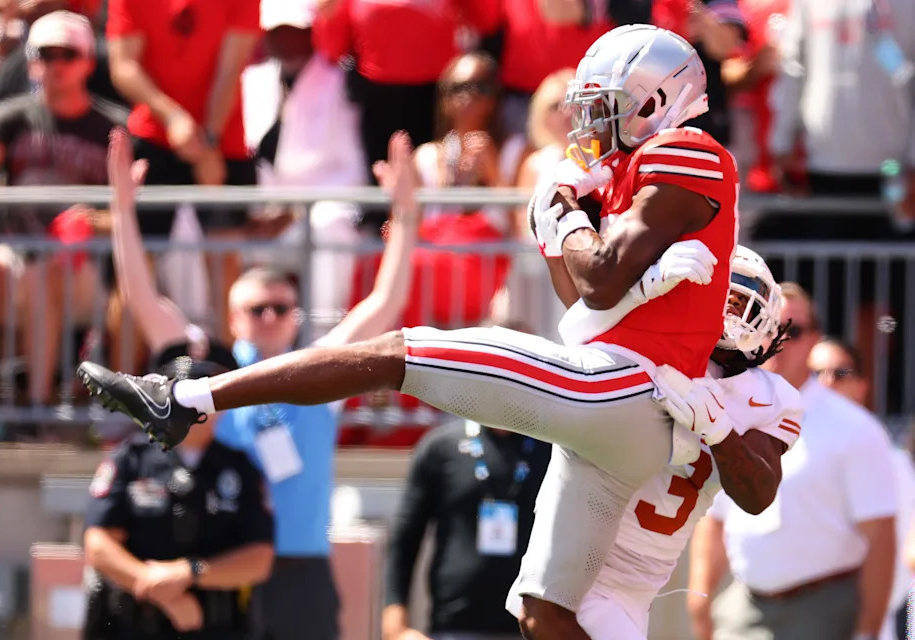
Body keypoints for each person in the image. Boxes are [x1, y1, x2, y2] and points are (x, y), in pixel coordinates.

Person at [77, 24, 738, 640]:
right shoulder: (633, 174)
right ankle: (185, 400)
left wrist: (561, 209)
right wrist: (554, 219)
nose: (591, 122)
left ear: (657, 98)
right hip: (627, 395)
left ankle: (186, 401)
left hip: (625, 387)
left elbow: (596, 280)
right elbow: (583, 305)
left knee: (397, 352)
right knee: (545, 611)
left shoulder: (685, 150)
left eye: (607, 104)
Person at [105, 124, 422, 640]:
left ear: (297, 316)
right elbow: (143, 300)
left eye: (282, 307)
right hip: (226, 562)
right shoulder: (212, 366)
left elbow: (385, 302)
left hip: (301, 567)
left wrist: (404, 211)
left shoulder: (320, 366)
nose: (271, 317)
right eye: (258, 308)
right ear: (233, 318)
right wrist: (122, 209)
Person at [508, 246, 801, 639]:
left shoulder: (771, 397)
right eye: (724, 298)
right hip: (588, 534)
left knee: (544, 619)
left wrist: (719, 433)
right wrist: (558, 239)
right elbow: (581, 328)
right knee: (541, 616)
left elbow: (758, 496)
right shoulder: (654, 344)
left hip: (642, 575)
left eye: (742, 302)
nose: (732, 314)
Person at [688, 284, 898, 640]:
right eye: (766, 325)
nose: (778, 340)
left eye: (793, 330)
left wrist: (868, 631)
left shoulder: (854, 427)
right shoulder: (727, 408)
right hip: (745, 605)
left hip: (824, 608)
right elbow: (716, 523)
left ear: (815, 339)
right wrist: (701, 607)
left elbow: (881, 537)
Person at [0, 9, 125, 406]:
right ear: (31, 61)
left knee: (44, 276)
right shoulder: (11, 118)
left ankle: (36, 411)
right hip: (17, 258)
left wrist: (94, 222)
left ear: (86, 61)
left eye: (67, 55)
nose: (55, 65)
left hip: (85, 270)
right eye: (45, 55)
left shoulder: (112, 128)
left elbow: (133, 207)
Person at [82, 352, 274, 640]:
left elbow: (259, 559)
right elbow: (98, 545)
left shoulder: (241, 468)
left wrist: (191, 572)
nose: (194, 407)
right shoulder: (130, 460)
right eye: (184, 392)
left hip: (216, 628)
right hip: (134, 626)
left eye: (203, 393)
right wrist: (157, 589)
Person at [382, 323, 553, 640]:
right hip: (454, 625)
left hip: (534, 626)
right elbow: (405, 538)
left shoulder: (555, 448)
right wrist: (395, 622)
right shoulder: (441, 446)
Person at [809, 337, 915, 640]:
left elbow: (897, 560)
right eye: (815, 374)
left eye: (840, 373)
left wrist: (862, 623)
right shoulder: (781, 452)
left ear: (861, 386)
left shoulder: (888, 459)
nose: (827, 383)